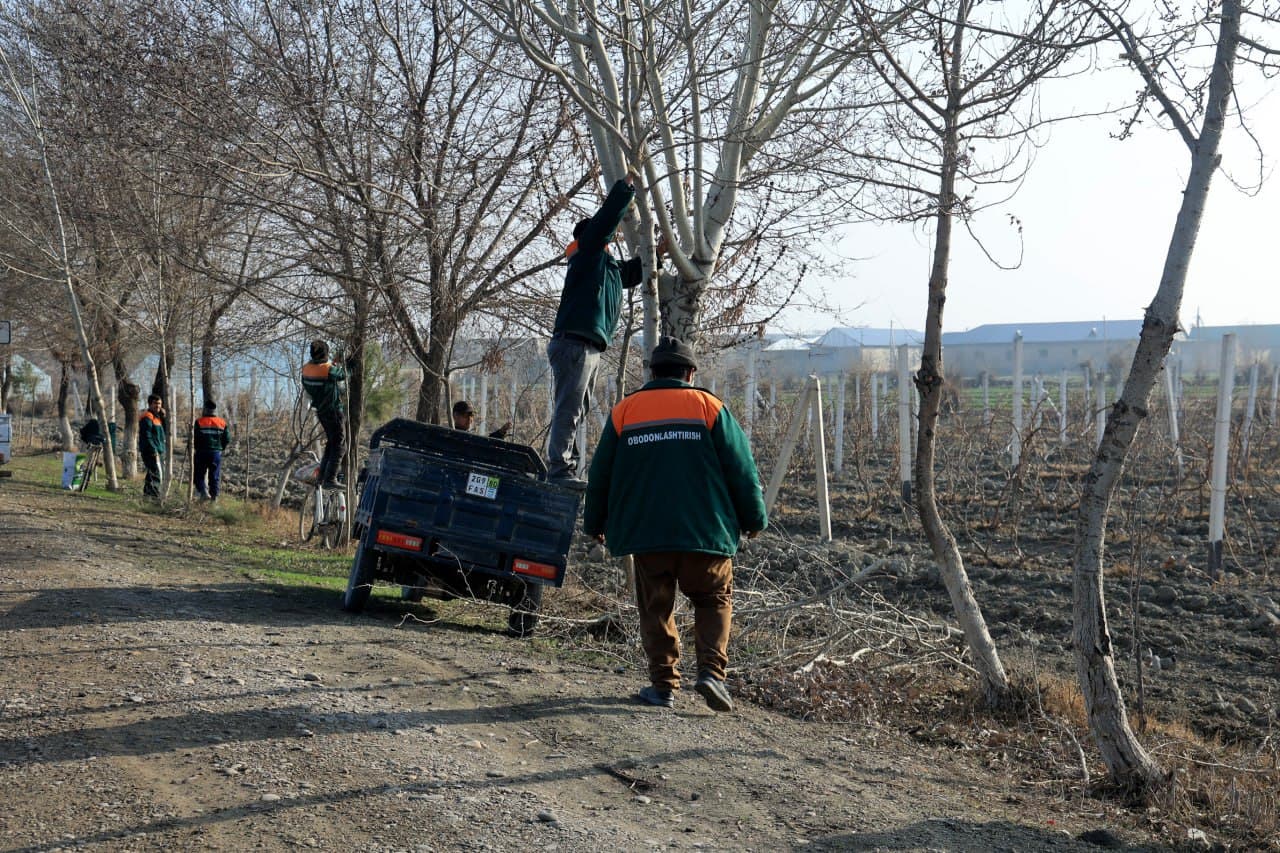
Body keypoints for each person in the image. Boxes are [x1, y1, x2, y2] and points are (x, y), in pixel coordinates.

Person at [583, 336, 767, 712]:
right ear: (690, 373)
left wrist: (595, 522)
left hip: (648, 534)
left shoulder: (625, 411)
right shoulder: (710, 407)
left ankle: (663, 686)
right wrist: (754, 519)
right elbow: (742, 470)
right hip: (706, 533)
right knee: (713, 599)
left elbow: (601, 473)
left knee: (656, 607)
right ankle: (712, 674)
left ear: (652, 372)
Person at [546, 169, 647, 487]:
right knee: (570, 408)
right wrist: (625, 188)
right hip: (575, 343)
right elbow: (605, 221)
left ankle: (567, 466)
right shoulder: (587, 254)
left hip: (586, 346)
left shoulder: (606, 268)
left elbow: (632, 273)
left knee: (577, 408)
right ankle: (559, 468)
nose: (610, 242)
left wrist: (657, 253)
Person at [301, 340, 347, 489]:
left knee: (332, 444)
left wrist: (334, 363)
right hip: (333, 411)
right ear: (325, 354)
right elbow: (343, 374)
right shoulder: (328, 370)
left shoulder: (306, 370)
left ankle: (321, 477)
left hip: (321, 412)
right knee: (340, 446)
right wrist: (351, 364)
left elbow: (323, 373)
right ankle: (330, 479)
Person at [192, 400, 229, 501]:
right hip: (215, 453)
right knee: (214, 476)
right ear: (215, 410)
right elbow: (227, 439)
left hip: (202, 452)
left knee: (199, 474)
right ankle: (214, 498)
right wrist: (221, 448)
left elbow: (194, 437)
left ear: (205, 409)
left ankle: (203, 491)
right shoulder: (222, 422)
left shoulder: (199, 422)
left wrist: (196, 448)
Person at [138, 393, 166, 499]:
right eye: (155, 403)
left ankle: (147, 496)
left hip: (158, 450)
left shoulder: (157, 417)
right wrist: (153, 450)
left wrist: (163, 417)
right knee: (156, 474)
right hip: (150, 451)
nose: (158, 406)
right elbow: (147, 435)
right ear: (150, 404)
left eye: (159, 404)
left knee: (152, 474)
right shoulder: (147, 416)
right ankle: (154, 497)